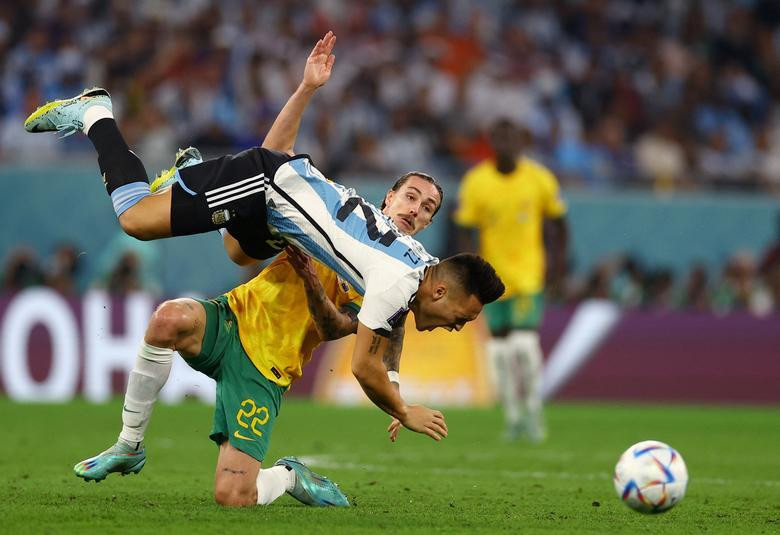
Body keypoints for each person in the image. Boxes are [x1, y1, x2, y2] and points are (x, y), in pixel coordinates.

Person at [27, 33, 502, 504]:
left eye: (428, 208)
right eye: (411, 197)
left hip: (270, 337)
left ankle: (195, 184)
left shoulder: (405, 270)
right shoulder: (397, 272)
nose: (416, 210)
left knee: (240, 252)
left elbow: (384, 334)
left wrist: (394, 387)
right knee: (136, 218)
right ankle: (96, 114)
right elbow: (365, 362)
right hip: (262, 199)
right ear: (388, 198)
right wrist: (403, 407)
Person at [454, 119, 568, 442]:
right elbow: (464, 228)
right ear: (492, 141)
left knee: (524, 346)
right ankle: (513, 416)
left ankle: (533, 411)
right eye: (500, 138)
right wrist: (469, 275)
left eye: (511, 138)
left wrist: (558, 269)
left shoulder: (539, 179)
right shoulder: (476, 182)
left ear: (521, 141)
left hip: (529, 278)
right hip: (493, 283)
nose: (506, 144)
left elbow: (559, 224)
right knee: (499, 354)